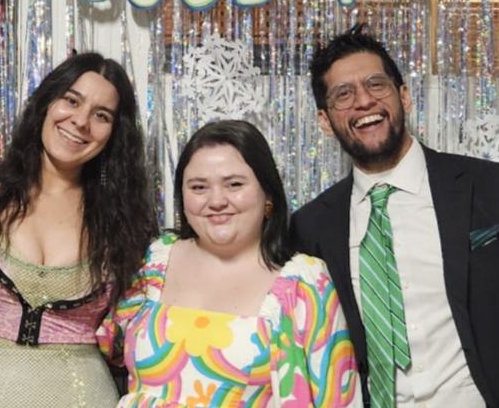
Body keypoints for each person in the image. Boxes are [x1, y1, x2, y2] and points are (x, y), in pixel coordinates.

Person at [291, 23, 499, 408]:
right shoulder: (311, 226)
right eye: (343, 95)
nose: (363, 101)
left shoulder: (497, 188)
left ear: (404, 96)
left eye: (376, 85)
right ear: (324, 122)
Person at [99, 119, 362, 408]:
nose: (216, 201)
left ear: (268, 195)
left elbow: (338, 399)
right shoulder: (154, 261)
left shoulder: (306, 282)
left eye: (234, 184)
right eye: (199, 187)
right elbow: (104, 348)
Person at [0, 52, 156, 408]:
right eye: (72, 100)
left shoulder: (123, 221)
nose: (80, 121)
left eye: (101, 115)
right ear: (47, 102)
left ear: (113, 134)